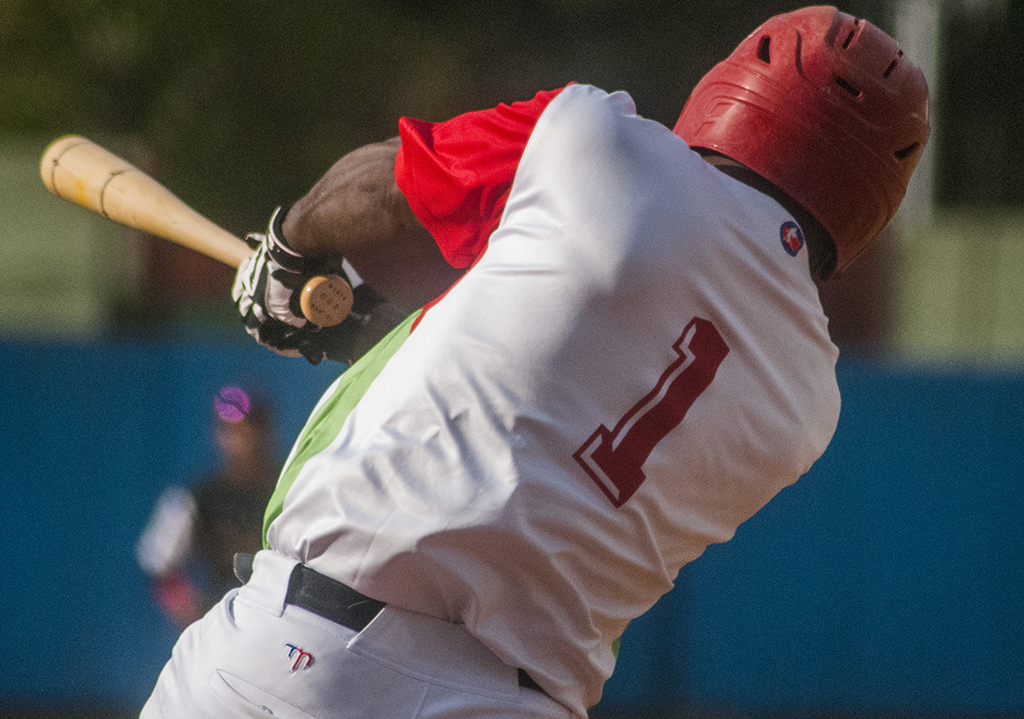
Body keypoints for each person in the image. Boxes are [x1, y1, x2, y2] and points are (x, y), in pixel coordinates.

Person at [141, 7, 929, 718]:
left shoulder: (601, 142)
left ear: (739, 86)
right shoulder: (807, 406)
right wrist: (381, 335)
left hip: (299, 656)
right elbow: (568, 416)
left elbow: (393, 180)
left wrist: (291, 247)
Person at [136, 386, 279, 630]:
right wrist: (197, 620)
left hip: (281, 623)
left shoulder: (290, 488)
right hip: (226, 622)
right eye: (228, 429)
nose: (239, 438)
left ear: (265, 430)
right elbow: (160, 565)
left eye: (248, 426)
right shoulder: (197, 497)